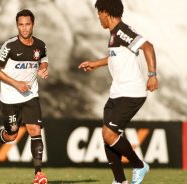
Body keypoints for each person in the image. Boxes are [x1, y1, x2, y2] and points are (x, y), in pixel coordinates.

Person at [78, 0, 158, 183]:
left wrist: (152, 75)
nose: (98, 17)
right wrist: (95, 63)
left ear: (106, 12)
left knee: (109, 134)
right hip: (117, 92)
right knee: (108, 136)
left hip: (131, 93)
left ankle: (139, 165)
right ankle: (120, 181)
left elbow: (148, 46)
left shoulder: (122, 31)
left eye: (99, 13)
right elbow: (117, 57)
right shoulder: (114, 34)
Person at [0, 9, 49, 184]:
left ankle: (38, 174)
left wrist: (42, 68)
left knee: (35, 131)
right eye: (21, 25)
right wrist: (16, 84)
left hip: (31, 96)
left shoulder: (40, 45)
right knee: (12, 135)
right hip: (10, 98)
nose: (24, 28)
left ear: (33, 25)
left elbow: (43, 59)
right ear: (17, 26)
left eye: (27, 24)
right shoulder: (9, 46)